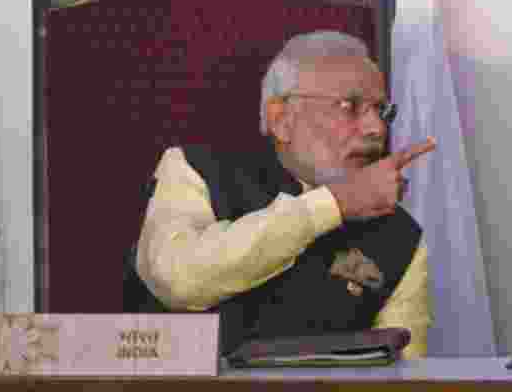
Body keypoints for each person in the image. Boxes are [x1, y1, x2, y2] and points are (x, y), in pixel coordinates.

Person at [131, 30, 436, 357]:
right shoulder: (196, 170)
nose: (376, 128)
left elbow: (403, 374)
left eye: (382, 110)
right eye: (350, 106)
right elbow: (178, 279)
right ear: (281, 119)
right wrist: (334, 204)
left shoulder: (400, 237)